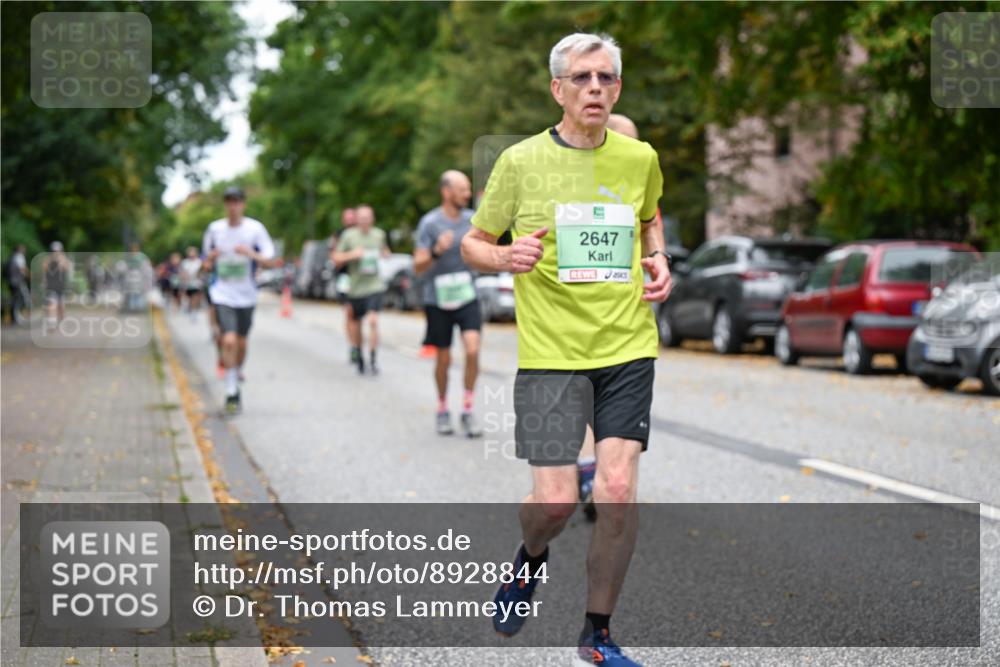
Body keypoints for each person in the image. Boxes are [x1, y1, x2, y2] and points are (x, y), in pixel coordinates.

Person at [461, 33, 672, 666]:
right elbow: (474, 241)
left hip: (627, 345)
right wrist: (505, 255)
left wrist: (657, 257)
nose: (596, 89)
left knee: (616, 489)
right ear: (558, 89)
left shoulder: (640, 158)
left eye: (607, 79)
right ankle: (529, 560)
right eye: (582, 78)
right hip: (551, 353)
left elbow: (648, 218)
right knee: (554, 503)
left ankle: (597, 634)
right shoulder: (521, 162)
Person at [576, 113, 653, 521]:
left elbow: (650, 234)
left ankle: (606, 483)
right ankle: (592, 473)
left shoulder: (640, 184)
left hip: (627, 325)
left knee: (613, 415)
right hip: (573, 323)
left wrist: (658, 262)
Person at [413, 170, 484, 438]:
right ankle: (442, 408)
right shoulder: (429, 223)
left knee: (473, 350)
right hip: (438, 298)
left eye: (468, 189)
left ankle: (467, 410)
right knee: (444, 358)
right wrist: (436, 251)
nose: (467, 193)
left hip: (466, 294)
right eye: (462, 189)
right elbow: (417, 266)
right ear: (446, 192)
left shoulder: (472, 220)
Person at [202, 186, 278, 414]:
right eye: (228, 202)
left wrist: (250, 254)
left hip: (247, 295)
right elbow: (205, 264)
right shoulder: (215, 230)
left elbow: (269, 261)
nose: (233, 206)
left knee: (241, 344)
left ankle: (235, 370)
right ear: (225, 205)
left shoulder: (255, 229)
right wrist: (211, 259)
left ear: (243, 204)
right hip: (222, 293)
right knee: (229, 341)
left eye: (236, 202)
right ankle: (232, 390)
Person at [332, 205, 389, 375]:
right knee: (355, 322)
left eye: (368, 217)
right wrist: (352, 255)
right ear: (356, 219)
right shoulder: (347, 235)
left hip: (374, 285)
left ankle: (372, 358)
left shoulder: (379, 234)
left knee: (373, 320)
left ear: (372, 218)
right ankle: (359, 354)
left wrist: (386, 254)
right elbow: (335, 257)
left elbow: (385, 250)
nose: (364, 221)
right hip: (355, 287)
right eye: (361, 218)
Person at [331, 207, 357, 362]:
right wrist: (349, 256)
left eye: (351, 218)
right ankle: (353, 345)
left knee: (358, 315)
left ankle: (357, 342)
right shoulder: (338, 235)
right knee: (349, 312)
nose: (349, 221)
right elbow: (335, 259)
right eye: (346, 218)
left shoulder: (362, 234)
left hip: (361, 278)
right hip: (344, 278)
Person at [43, 241, 70, 329]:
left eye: (57, 251)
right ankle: (52, 322)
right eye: (54, 251)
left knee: (61, 305)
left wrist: (61, 259)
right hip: (51, 286)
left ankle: (61, 320)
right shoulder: (47, 260)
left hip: (61, 286)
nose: (55, 253)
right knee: (52, 304)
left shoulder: (63, 260)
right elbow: (44, 269)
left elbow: (66, 268)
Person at [4, 244, 29, 324]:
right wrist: (31, 275)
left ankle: (14, 318)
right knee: (20, 299)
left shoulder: (12, 257)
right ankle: (15, 317)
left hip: (11, 281)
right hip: (17, 282)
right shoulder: (19, 257)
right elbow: (22, 268)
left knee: (14, 299)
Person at [179, 246, 203, 317]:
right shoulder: (185, 262)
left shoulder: (199, 262)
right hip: (187, 283)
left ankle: (194, 311)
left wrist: (199, 276)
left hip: (196, 283)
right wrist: (184, 277)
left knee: (195, 296)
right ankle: (188, 307)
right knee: (188, 297)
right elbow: (182, 272)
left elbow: (201, 272)